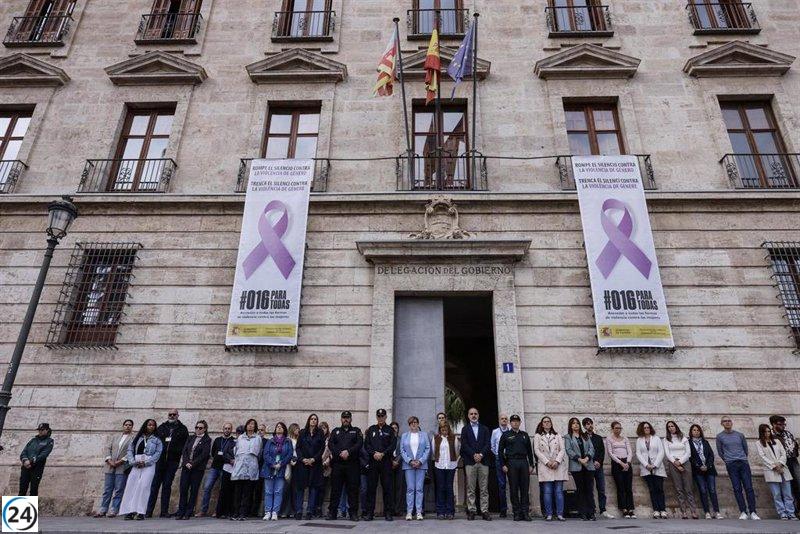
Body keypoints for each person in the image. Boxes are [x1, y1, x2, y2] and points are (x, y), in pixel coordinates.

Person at [146, 409, 188, 517]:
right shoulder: (161, 427)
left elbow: (185, 446)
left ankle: (164, 511)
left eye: (174, 414)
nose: (172, 416)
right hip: (160, 461)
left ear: (178, 415)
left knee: (167, 486)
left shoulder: (183, 429)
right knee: (154, 486)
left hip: (172, 462)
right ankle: (149, 511)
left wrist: (180, 458)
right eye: (170, 414)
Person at [716, 416, 759, 520]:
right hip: (731, 464)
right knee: (737, 488)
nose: (727, 423)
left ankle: (753, 512)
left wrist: (743, 458)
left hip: (743, 463)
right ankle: (743, 512)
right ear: (722, 424)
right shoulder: (720, 436)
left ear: (732, 423)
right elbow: (720, 452)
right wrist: (728, 460)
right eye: (725, 421)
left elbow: (745, 449)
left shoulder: (740, 435)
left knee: (749, 487)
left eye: (729, 421)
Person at [119, 419, 162, 520]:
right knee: (132, 486)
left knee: (144, 486)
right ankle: (130, 511)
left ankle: (141, 512)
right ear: (145, 426)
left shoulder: (157, 440)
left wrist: (146, 462)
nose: (151, 427)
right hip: (136, 463)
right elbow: (130, 450)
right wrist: (133, 461)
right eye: (149, 425)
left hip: (149, 464)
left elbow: (158, 453)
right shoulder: (137, 438)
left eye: (153, 425)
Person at [326, 411, 363, 521]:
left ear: (351, 419)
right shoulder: (335, 431)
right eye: (344, 417)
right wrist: (340, 453)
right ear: (341, 419)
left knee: (353, 490)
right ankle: (332, 512)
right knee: (335, 489)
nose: (346, 419)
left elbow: (359, 444)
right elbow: (330, 444)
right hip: (338, 464)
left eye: (348, 417)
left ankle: (353, 513)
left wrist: (348, 452)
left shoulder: (356, 431)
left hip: (352, 465)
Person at [756, 423, 797, 520]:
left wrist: (780, 464)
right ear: (762, 433)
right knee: (777, 494)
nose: (768, 433)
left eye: (769, 431)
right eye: (765, 432)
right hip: (771, 470)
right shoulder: (759, 443)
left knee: (788, 493)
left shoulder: (777, 441)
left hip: (783, 469)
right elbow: (762, 457)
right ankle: (782, 513)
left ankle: (791, 512)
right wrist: (774, 466)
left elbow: (783, 453)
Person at [94, 419, 134, 518]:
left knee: (119, 489)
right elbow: (108, 448)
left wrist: (121, 461)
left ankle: (114, 509)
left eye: (129, 425)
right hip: (110, 466)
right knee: (107, 489)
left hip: (122, 466)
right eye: (126, 425)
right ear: (123, 426)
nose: (127, 426)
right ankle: (103, 509)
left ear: (132, 427)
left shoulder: (133, 438)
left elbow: (131, 451)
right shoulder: (115, 437)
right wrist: (109, 460)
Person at [498, 414, 534, 522]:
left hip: (523, 462)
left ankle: (525, 512)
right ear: (510, 423)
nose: (515, 423)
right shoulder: (506, 435)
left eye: (517, 421)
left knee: (524, 488)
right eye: (513, 421)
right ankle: (517, 513)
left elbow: (529, 451)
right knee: (513, 489)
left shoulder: (525, 435)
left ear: (520, 423)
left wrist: (531, 464)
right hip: (511, 462)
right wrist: (503, 464)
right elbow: (500, 451)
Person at [364, 408, 396, 521]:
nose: (381, 418)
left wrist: (383, 453)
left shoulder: (390, 430)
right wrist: (374, 453)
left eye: (382, 416)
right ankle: (369, 513)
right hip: (373, 462)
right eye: (379, 416)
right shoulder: (371, 429)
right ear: (376, 417)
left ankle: (388, 513)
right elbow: (367, 444)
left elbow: (393, 445)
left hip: (385, 462)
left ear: (386, 417)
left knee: (387, 488)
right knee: (371, 488)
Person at [175, 419, 212, 520]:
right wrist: (186, 462)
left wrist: (193, 463)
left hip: (197, 469)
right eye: (196, 427)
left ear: (205, 429)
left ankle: (188, 512)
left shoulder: (207, 440)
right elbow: (185, 451)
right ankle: (181, 511)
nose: (198, 429)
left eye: (200, 428)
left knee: (194, 490)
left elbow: (204, 454)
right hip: (186, 467)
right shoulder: (191, 437)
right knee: (183, 489)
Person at [460, 407, 492, 521]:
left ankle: (484, 511)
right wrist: (474, 454)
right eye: (471, 414)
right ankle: (472, 510)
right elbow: (464, 444)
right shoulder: (465, 429)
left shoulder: (485, 429)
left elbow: (488, 444)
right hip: (470, 461)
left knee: (484, 488)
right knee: (471, 488)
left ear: (478, 415)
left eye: (475, 413)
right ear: (468, 416)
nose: (473, 415)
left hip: (483, 462)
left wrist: (481, 455)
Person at [534, 416, 568, 522]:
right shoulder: (537, 436)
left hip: (557, 466)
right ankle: (549, 514)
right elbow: (536, 450)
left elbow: (562, 449)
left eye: (548, 421)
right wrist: (547, 462)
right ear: (542, 424)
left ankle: (560, 514)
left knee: (558, 491)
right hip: (545, 466)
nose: (547, 423)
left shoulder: (557, 435)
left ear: (551, 423)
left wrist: (557, 461)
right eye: (545, 422)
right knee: (547, 491)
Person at [664, 420, 698, 519]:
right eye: (669, 427)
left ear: (676, 427)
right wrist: (675, 463)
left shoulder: (683, 438)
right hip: (673, 464)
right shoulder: (666, 440)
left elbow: (688, 453)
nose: (671, 428)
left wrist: (681, 462)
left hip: (685, 463)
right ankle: (684, 512)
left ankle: (693, 511)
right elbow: (667, 453)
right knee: (679, 489)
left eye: (672, 426)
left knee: (688, 488)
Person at [199, 422, 234, 517]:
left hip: (225, 468)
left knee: (222, 490)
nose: (227, 430)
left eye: (229, 428)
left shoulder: (233, 441)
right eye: (225, 428)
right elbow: (213, 452)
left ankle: (217, 511)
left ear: (231, 430)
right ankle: (203, 510)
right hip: (214, 467)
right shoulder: (218, 440)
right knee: (207, 487)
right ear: (223, 429)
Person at [231, 418, 262, 521]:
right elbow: (236, 450)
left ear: (255, 426)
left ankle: (243, 513)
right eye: (249, 424)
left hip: (251, 467)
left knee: (247, 492)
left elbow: (258, 452)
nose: (250, 425)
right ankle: (235, 512)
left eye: (253, 424)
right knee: (237, 492)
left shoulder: (258, 438)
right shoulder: (240, 437)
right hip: (240, 467)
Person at [689, 424, 722, 519]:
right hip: (698, 470)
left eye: (698, 430)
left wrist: (707, 465)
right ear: (691, 432)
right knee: (703, 490)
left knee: (712, 490)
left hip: (709, 469)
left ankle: (717, 511)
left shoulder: (705, 442)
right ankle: (707, 512)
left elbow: (711, 455)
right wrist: (699, 466)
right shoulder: (688, 443)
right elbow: (690, 457)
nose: (696, 432)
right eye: (694, 430)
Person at [565, 417, 596, 521]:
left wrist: (587, 458)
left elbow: (591, 448)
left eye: (577, 423)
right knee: (580, 489)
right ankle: (583, 513)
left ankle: (591, 512)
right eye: (573, 423)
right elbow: (569, 450)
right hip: (576, 466)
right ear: (570, 426)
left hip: (588, 465)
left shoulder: (585, 435)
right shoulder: (568, 437)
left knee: (589, 489)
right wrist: (579, 459)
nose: (576, 425)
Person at [295, 414, 325, 520]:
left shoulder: (320, 433)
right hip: (303, 464)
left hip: (315, 464)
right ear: (309, 420)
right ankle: (299, 511)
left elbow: (322, 448)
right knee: (300, 488)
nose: (313, 421)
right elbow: (298, 448)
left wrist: (313, 459)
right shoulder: (303, 432)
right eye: (311, 419)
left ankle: (309, 511)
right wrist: (302, 459)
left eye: (315, 419)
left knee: (313, 488)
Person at [261, 422, 293, 521]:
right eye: (277, 427)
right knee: (268, 491)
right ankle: (267, 512)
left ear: (284, 429)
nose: (279, 428)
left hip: (281, 469)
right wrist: (273, 464)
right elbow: (265, 454)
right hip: (269, 469)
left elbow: (289, 454)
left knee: (278, 491)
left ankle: (275, 512)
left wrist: (281, 464)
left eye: (281, 427)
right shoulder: (270, 441)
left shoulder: (288, 441)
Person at [400, 415, 430, 520]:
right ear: (409, 425)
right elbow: (402, 450)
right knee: (410, 489)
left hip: (421, 465)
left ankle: (418, 512)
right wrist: (410, 461)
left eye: (415, 422)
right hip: (409, 466)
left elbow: (427, 448)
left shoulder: (424, 435)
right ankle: (409, 512)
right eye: (412, 422)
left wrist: (420, 461)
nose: (414, 424)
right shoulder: (404, 436)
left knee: (419, 489)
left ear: (418, 423)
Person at [635, 421, 667, 519]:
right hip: (646, 468)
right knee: (652, 489)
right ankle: (656, 510)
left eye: (648, 427)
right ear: (641, 429)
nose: (647, 429)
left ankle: (663, 510)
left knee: (659, 489)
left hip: (657, 467)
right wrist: (646, 465)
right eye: (644, 428)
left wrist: (655, 464)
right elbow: (638, 453)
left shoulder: (656, 439)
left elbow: (661, 452)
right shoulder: (639, 440)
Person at [582, 417, 612, 518]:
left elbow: (602, 451)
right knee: (589, 489)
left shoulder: (598, 437)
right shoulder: (582, 437)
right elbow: (584, 452)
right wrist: (591, 461)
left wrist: (599, 461)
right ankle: (592, 510)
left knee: (601, 489)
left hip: (599, 467)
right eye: (587, 424)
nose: (590, 425)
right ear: (584, 426)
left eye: (591, 423)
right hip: (588, 467)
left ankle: (603, 509)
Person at [605, 421, 635, 518]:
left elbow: (629, 451)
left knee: (628, 487)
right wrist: (620, 463)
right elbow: (610, 453)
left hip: (627, 463)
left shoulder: (625, 438)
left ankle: (631, 509)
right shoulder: (609, 439)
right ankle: (624, 509)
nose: (618, 430)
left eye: (619, 428)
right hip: (617, 464)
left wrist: (628, 463)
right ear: (612, 429)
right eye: (616, 428)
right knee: (620, 487)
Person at [771, 415, 799, 516]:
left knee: (798, 483)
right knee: (786, 487)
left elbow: (794, 445)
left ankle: (798, 509)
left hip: (793, 460)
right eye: (780, 424)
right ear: (773, 424)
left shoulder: (788, 433)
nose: (783, 426)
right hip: (781, 463)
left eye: (784, 424)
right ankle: (789, 511)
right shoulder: (771, 436)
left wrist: (795, 448)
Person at [19, 423, 54, 497]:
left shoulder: (49, 441)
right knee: (22, 489)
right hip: (25, 467)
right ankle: (20, 504)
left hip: (37, 468)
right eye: (39, 430)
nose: (40, 431)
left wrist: (30, 462)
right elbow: (24, 452)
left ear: (47, 430)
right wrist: (25, 460)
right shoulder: (33, 440)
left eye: (42, 430)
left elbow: (44, 454)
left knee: (33, 490)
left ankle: (31, 505)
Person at [432, 421, 459, 520]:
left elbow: (457, 451)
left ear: (448, 429)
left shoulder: (454, 438)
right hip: (439, 466)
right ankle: (440, 512)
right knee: (440, 488)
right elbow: (433, 452)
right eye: (442, 429)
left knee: (449, 488)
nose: (444, 431)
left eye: (446, 429)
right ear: (440, 430)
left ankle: (450, 511)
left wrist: (453, 461)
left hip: (451, 466)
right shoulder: (435, 438)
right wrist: (438, 460)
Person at [215, 424, 238, 519]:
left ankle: (229, 511)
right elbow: (224, 452)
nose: (239, 435)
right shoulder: (231, 442)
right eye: (238, 433)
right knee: (224, 490)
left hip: (236, 470)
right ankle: (220, 512)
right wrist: (230, 460)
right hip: (227, 468)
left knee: (232, 492)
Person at [490, 413, 511, 518]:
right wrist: (498, 455)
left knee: (513, 484)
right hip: (499, 459)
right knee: (501, 485)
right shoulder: (495, 432)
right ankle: (503, 510)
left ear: (508, 421)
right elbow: (492, 446)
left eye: (505, 419)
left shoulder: (511, 432)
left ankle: (515, 508)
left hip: (510, 459)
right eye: (502, 419)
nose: (504, 420)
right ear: (499, 420)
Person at [279, 423, 300, 518]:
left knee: (295, 489)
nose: (298, 430)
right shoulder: (288, 440)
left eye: (298, 428)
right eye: (296, 428)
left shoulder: (299, 440)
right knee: (286, 489)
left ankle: (293, 510)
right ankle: (284, 511)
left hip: (297, 465)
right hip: (288, 465)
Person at [390, 421, 405, 517]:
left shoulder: (401, 439)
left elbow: (403, 451)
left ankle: (398, 509)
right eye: (392, 428)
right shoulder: (387, 440)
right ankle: (390, 509)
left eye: (396, 428)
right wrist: (391, 461)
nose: (394, 430)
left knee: (399, 488)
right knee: (390, 488)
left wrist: (397, 461)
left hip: (399, 465)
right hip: (389, 465)